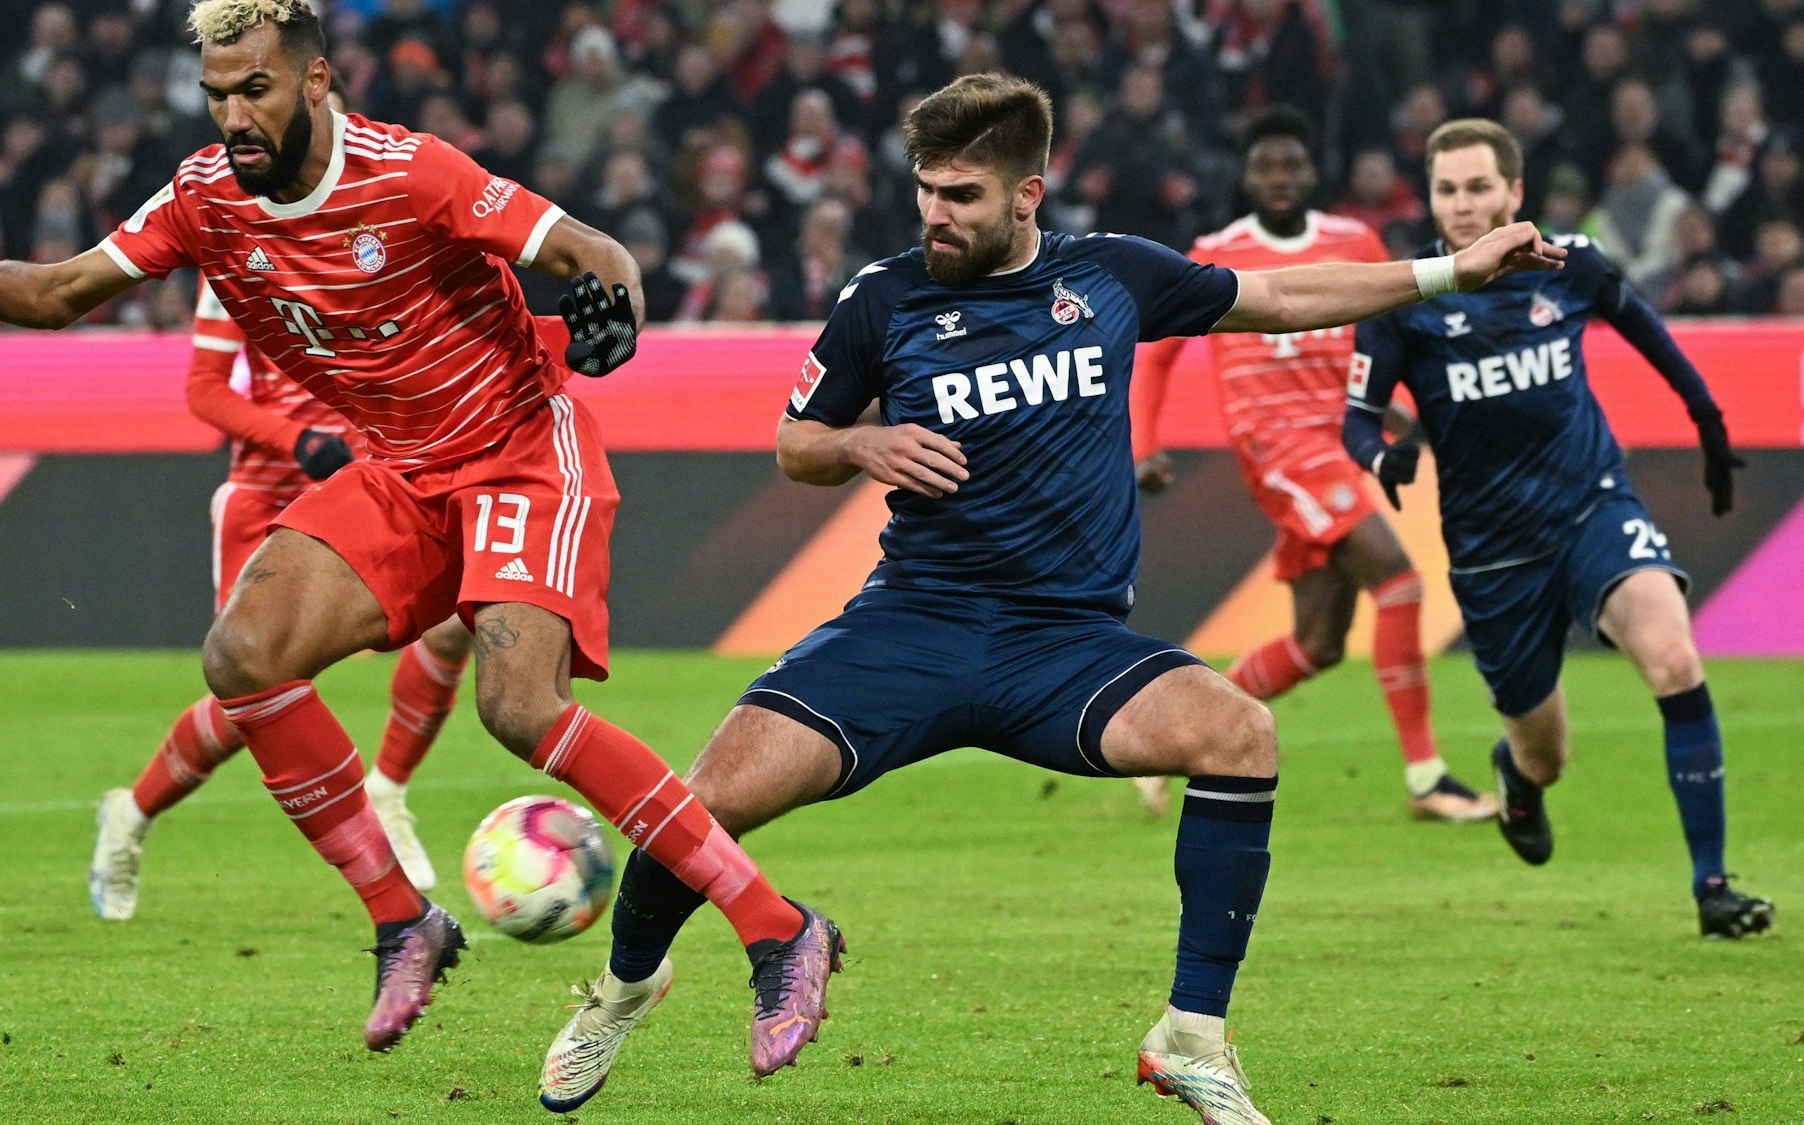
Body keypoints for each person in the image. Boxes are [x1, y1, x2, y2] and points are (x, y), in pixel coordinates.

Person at [535, 73, 1565, 1123]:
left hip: (1061, 645)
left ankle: (1189, 1039)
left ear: (1028, 193)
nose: (936, 213)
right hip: (912, 626)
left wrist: (1450, 270)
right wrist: (856, 441)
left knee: (1239, 734)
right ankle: (623, 990)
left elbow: (1281, 297)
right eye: (926, 189)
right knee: (695, 804)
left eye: (963, 196)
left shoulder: (1112, 277)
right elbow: (793, 442)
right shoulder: (882, 299)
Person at [0, 0, 838, 1065]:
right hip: (398, 474)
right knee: (243, 654)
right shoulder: (202, 197)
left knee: (518, 706)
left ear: (316, 80)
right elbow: (59, 291)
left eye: (256, 90)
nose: (234, 115)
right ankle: (401, 919)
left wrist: (609, 313)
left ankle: (778, 931)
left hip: (516, 445)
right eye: (217, 94)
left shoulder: (412, 171)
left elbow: (590, 248)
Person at [1344, 118, 1775, 940]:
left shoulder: (1570, 263)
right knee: (1546, 754)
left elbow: (1640, 320)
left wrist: (1707, 418)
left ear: (1514, 194)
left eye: (1478, 187)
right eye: (1447, 189)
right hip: (1491, 553)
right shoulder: (1408, 296)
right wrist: (1381, 459)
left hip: (1591, 507)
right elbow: (1358, 418)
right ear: (1431, 198)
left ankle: (1712, 884)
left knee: (1675, 656)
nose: (1463, 205)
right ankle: (1519, 774)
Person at [1132, 108, 1497, 824]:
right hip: (1276, 447)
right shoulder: (1217, 249)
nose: (1278, 178)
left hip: (1338, 444)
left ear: (1310, 170)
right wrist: (1145, 444)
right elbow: (1159, 351)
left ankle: (1173, 737)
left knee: (1320, 641)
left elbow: (1376, 332)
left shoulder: (1353, 240)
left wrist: (1390, 410)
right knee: (1397, 579)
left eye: (1291, 164)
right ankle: (1427, 776)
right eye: (1265, 165)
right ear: (1246, 175)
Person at [87, 273, 474, 920]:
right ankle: (131, 811)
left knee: (461, 617)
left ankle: (389, 787)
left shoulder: (383, 243)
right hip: (268, 498)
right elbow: (204, 389)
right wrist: (297, 441)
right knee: (253, 701)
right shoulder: (240, 259)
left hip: (371, 492)